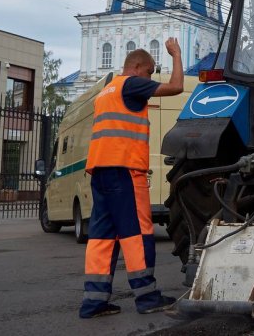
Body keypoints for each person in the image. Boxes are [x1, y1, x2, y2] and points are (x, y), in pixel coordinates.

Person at [79, 38, 184, 319]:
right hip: (124, 171)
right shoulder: (132, 83)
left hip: (100, 171)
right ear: (137, 68)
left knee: (102, 237)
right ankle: (147, 296)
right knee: (137, 233)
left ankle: (94, 301)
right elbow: (176, 87)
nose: (151, 79)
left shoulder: (107, 90)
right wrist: (176, 55)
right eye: (150, 72)